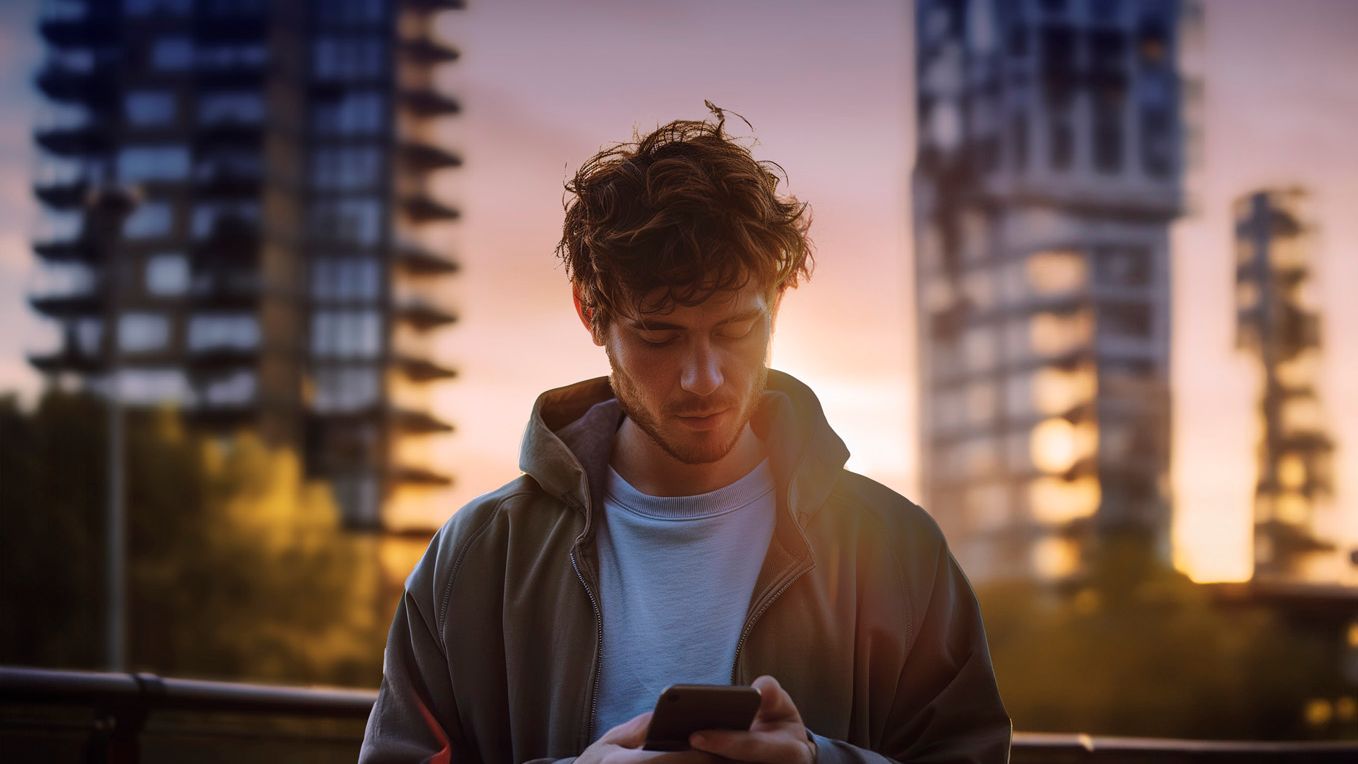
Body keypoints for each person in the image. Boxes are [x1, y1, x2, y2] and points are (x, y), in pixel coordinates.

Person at [360, 109, 1011, 763]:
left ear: (777, 305)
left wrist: (819, 762)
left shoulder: (898, 552)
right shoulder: (474, 561)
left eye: (733, 331)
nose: (704, 378)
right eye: (659, 335)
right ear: (593, 314)